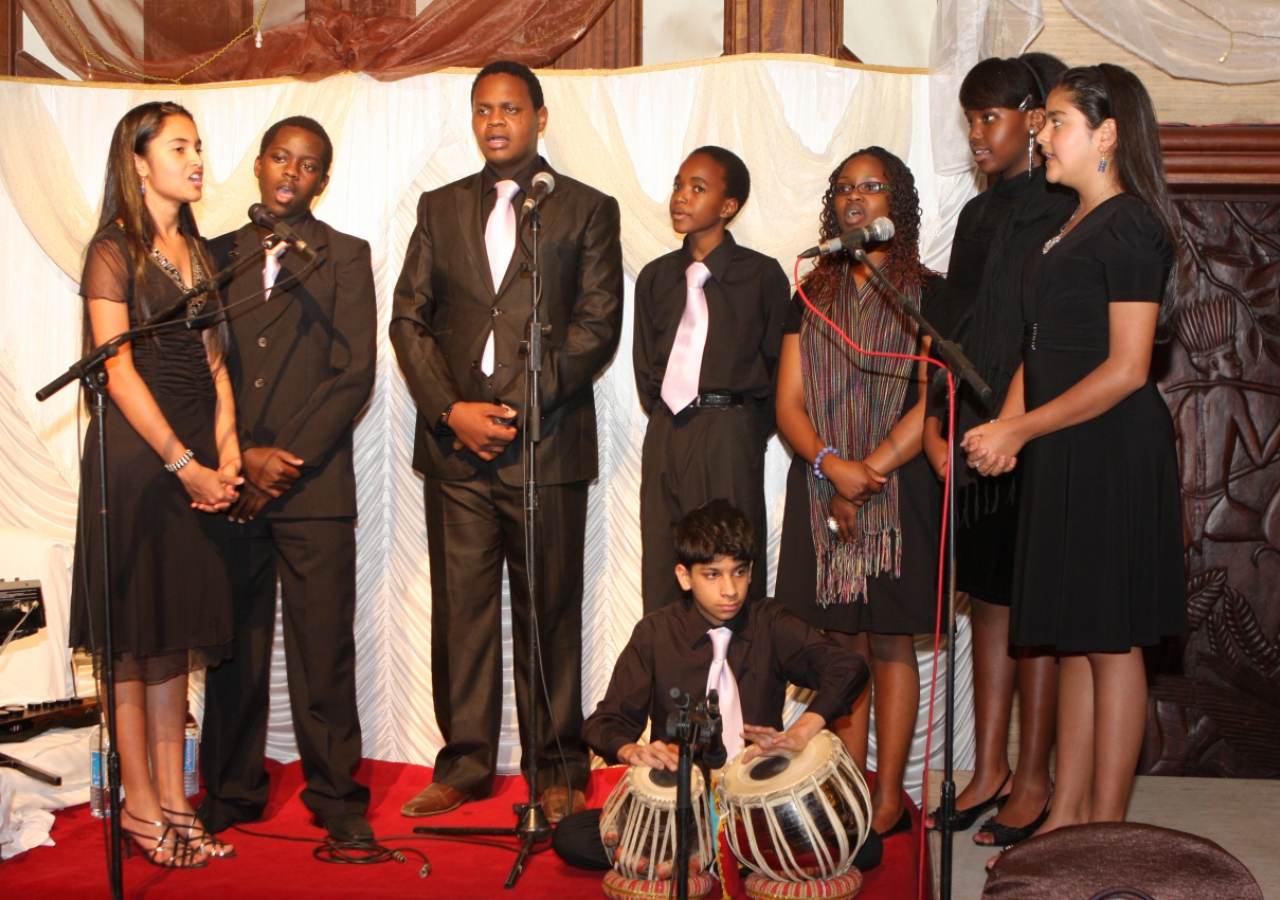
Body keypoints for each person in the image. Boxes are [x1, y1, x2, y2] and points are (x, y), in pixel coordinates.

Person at [961, 64, 1187, 855]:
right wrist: (1006, 426)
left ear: (1107, 135)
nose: (1041, 134)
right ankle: (1067, 819)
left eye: (1056, 121)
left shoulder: (1130, 225)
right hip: (1066, 444)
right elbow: (1041, 346)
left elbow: (1126, 367)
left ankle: (1107, 828)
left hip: (1112, 448)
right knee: (1078, 639)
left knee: (1113, 641)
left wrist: (1021, 432)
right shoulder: (1069, 224)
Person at [390, 60, 624, 823]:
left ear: (540, 117)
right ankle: (463, 765)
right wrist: (452, 409)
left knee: (548, 610)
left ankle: (556, 768)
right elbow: (408, 320)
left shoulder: (586, 208)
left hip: (545, 445)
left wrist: (518, 408)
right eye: (484, 110)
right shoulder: (439, 207)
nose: (497, 122)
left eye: (511, 109)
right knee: (461, 611)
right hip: (455, 449)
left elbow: (597, 327)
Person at [70, 101, 242, 867]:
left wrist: (227, 452)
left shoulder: (199, 251)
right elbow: (115, 368)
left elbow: (214, 364)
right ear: (139, 161)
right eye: (180, 146)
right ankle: (140, 812)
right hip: (140, 461)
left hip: (196, 454)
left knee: (175, 645)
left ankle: (177, 802)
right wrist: (183, 463)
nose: (197, 158)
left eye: (199, 146)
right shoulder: (114, 249)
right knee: (135, 647)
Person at [197, 116, 377, 844]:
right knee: (232, 642)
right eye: (281, 157)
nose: (291, 172)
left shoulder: (346, 256)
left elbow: (354, 370)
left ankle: (336, 794)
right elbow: (199, 370)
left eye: (308, 165)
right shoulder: (214, 255)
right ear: (260, 164)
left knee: (321, 644)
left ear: (322, 181)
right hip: (231, 480)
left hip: (316, 487)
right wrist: (240, 454)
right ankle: (232, 789)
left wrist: (284, 457)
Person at [919, 53, 1074, 848]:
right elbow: (956, 321)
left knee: (1033, 608)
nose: (978, 134)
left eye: (991, 118)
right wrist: (937, 422)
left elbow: (1041, 333)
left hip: (1033, 431)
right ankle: (989, 770)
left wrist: (1013, 425)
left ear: (1035, 118)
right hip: (971, 425)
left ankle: (1036, 777)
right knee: (986, 604)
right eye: (970, 119)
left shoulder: (1059, 207)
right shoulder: (979, 216)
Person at [552, 499, 870, 872]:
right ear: (685, 577)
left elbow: (848, 668)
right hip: (685, 802)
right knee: (570, 836)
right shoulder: (656, 633)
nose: (730, 590)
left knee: (864, 845)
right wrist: (629, 751)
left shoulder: (771, 623)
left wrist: (804, 728)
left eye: (738, 572)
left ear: (751, 570)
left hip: (760, 796)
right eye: (713, 575)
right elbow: (604, 723)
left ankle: (692, 858)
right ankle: (724, 854)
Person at [774, 146, 942, 838]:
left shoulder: (930, 293)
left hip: (899, 492)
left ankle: (890, 796)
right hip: (821, 489)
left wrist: (863, 472)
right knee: (841, 650)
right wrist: (830, 466)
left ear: (896, 204)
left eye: (872, 187)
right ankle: (844, 791)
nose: (855, 198)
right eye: (844, 188)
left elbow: (930, 399)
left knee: (893, 644)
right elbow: (788, 403)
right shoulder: (810, 294)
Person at [634, 146, 790, 613]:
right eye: (679, 185)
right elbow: (646, 369)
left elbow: (778, 370)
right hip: (667, 430)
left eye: (697, 188)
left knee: (729, 565)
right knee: (666, 565)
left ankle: (737, 679)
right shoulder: (656, 277)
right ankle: (670, 679)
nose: (681, 197)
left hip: (729, 431)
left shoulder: (761, 276)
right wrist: (670, 416)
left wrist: (740, 428)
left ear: (728, 207)